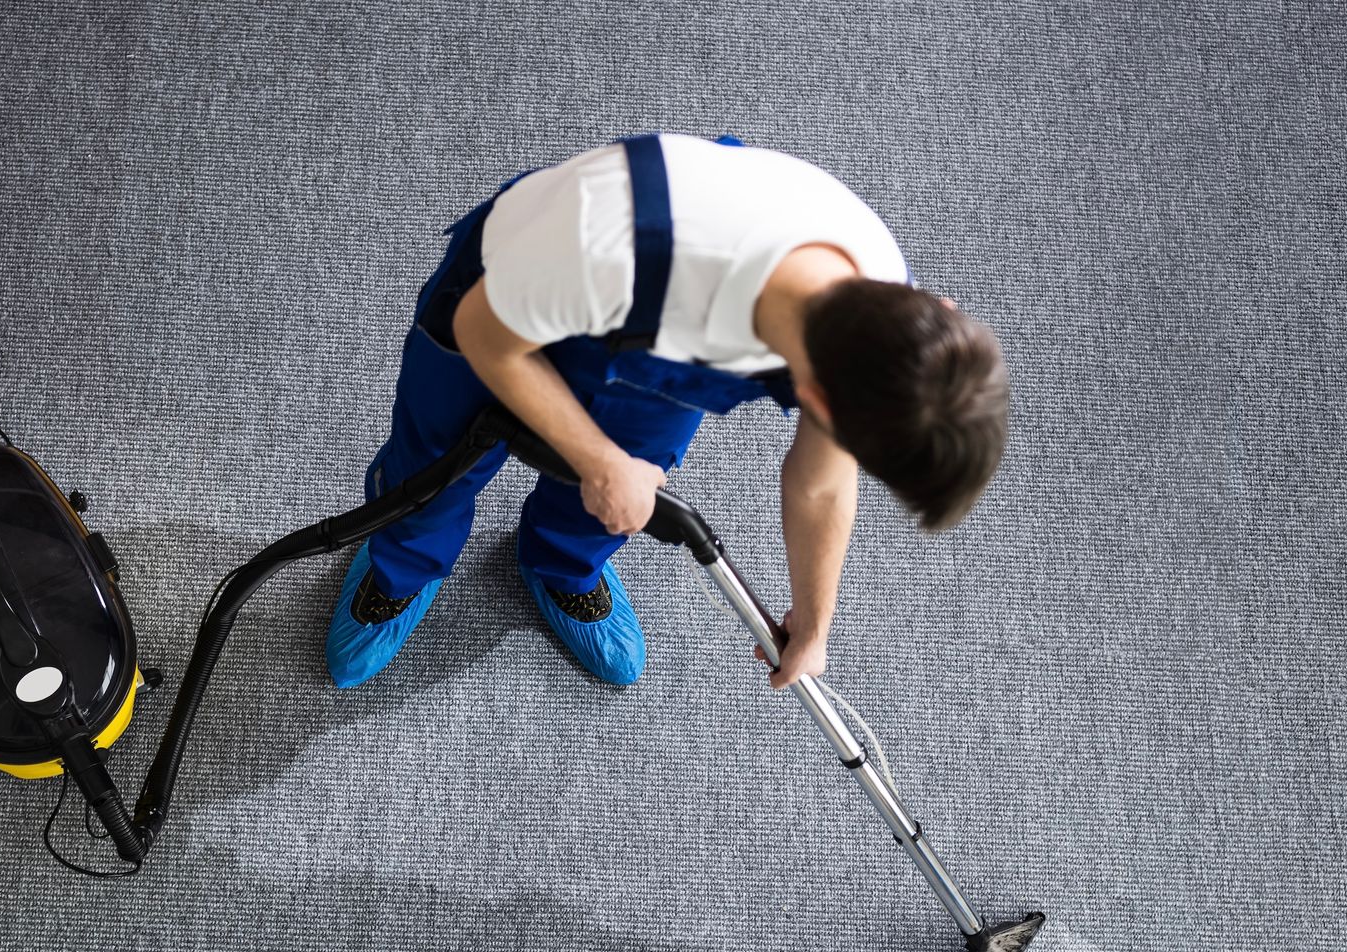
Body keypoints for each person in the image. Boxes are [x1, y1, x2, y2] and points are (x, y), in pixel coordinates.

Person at [327, 133, 1007, 690]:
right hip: (504, 311)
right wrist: (598, 460)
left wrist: (815, 625)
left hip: (667, 369)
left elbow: (821, 480)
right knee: (433, 471)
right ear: (819, 401)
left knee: (627, 490)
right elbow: (485, 335)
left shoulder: (883, 325)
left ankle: (562, 564)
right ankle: (402, 568)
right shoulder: (617, 238)